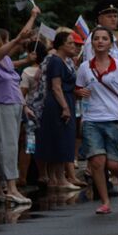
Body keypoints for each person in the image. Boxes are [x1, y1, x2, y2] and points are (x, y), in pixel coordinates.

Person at [74, 26, 118, 215]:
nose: (100, 41)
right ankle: (105, 201)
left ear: (110, 44)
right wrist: (80, 92)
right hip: (92, 119)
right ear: (92, 43)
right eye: (96, 38)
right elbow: (77, 89)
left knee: (113, 165)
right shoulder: (85, 67)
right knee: (97, 163)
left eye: (104, 38)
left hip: (114, 119)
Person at [0, 9, 40, 205]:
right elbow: (15, 41)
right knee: (8, 146)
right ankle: (12, 188)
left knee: (3, 146)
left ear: (1, 42)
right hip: (0, 105)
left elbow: (13, 78)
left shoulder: (5, 59)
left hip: (13, 104)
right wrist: (19, 36)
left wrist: (24, 106)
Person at [36, 31, 80, 191]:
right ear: (61, 45)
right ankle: (60, 178)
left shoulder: (65, 61)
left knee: (60, 138)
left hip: (66, 99)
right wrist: (65, 107)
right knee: (60, 139)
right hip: (58, 103)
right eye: (70, 43)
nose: (74, 46)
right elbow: (56, 87)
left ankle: (55, 178)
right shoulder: (56, 61)